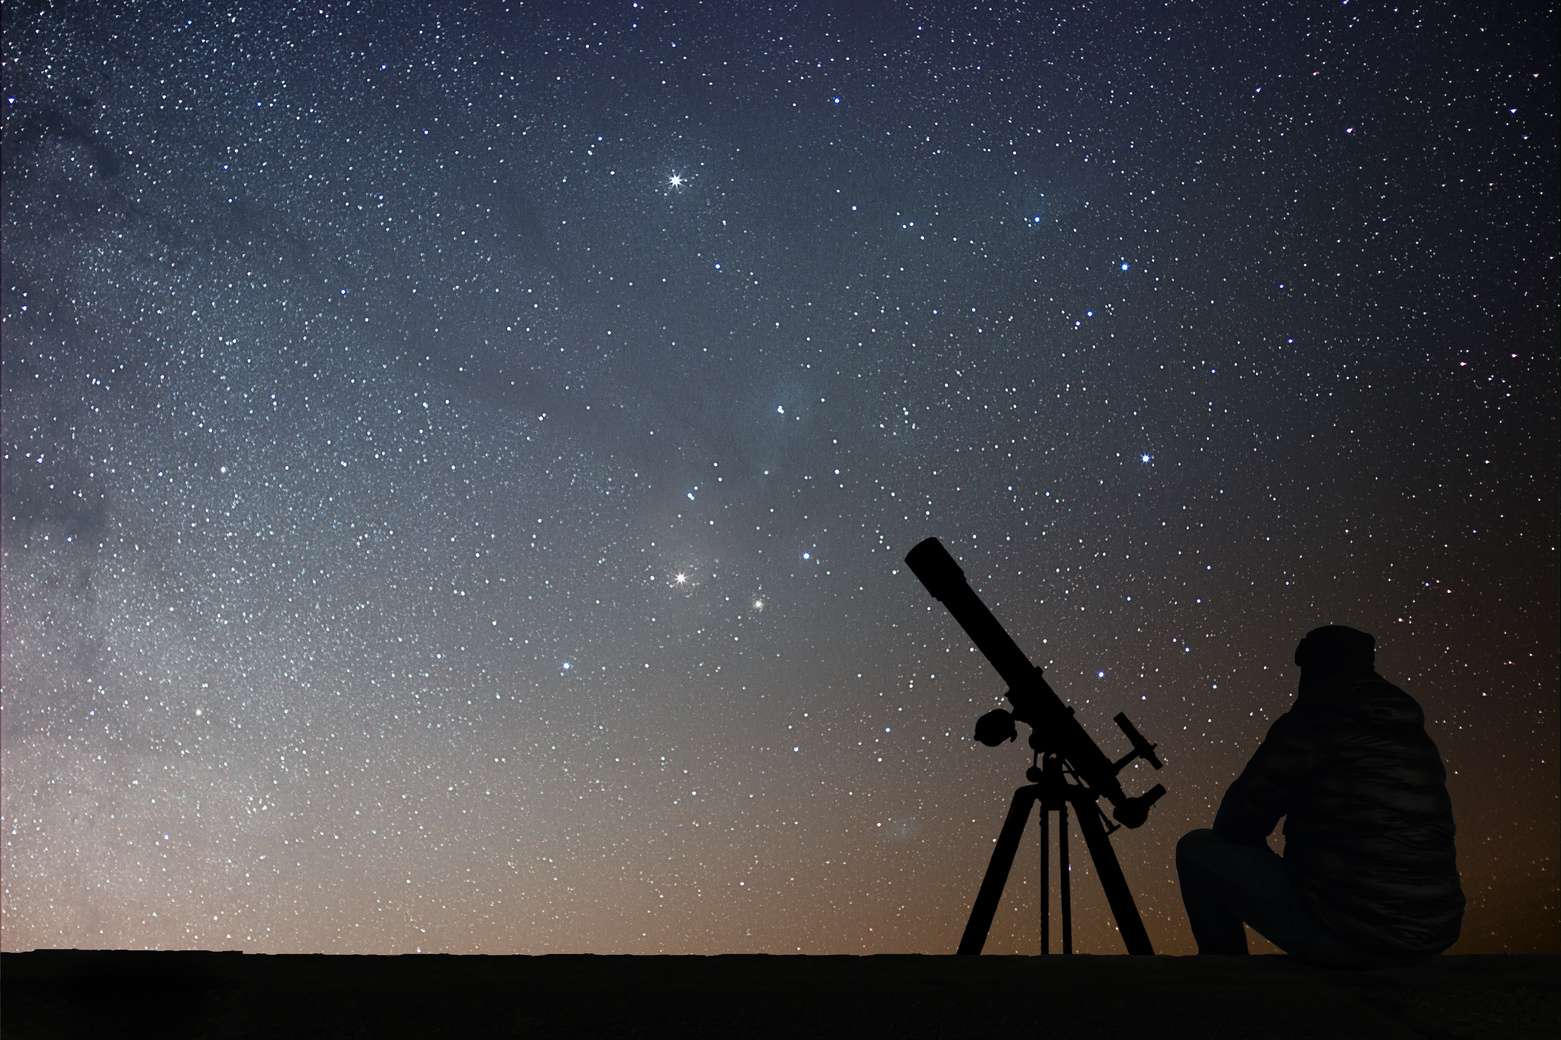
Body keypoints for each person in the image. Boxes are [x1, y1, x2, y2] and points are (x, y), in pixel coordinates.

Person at [1176, 625, 1465, 967]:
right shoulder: (1413, 735)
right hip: (1428, 937)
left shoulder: (1312, 723)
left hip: (1352, 938)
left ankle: (1225, 980)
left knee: (1196, 850)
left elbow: (1235, 823)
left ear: (1312, 665)